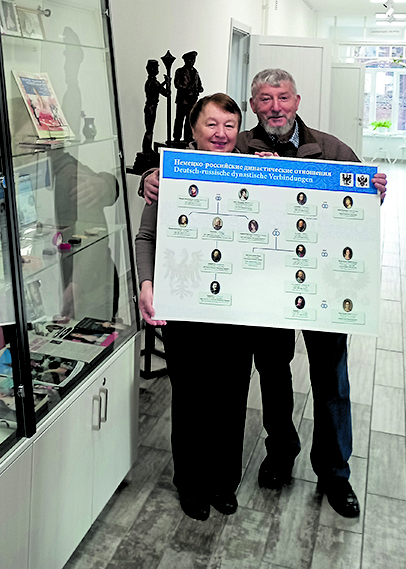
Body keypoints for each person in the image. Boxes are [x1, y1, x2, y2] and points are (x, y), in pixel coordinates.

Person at [141, 67, 387, 519]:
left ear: (297, 100)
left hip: (322, 288)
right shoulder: (239, 148)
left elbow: (363, 206)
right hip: (262, 291)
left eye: (284, 98)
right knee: (274, 373)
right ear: (253, 105)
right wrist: (151, 181)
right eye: (265, 99)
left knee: (330, 378)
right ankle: (280, 453)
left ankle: (335, 473)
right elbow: (190, 175)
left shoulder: (333, 150)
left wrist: (376, 190)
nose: (276, 107)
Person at [136, 92, 296, 522]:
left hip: (237, 309)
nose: (220, 134)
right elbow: (147, 237)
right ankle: (190, 482)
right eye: (211, 124)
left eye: (229, 125)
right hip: (185, 305)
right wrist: (146, 283)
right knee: (190, 398)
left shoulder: (255, 165)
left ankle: (223, 483)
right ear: (193, 129)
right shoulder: (174, 172)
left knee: (231, 397)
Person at [172, 51, 203, 143]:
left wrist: (199, 88)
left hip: (192, 100)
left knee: (190, 120)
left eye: (193, 59)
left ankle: (188, 137)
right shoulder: (180, 71)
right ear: (185, 60)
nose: (192, 61)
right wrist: (187, 88)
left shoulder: (195, 72)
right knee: (179, 119)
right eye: (190, 59)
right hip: (183, 100)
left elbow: (200, 85)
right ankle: (176, 137)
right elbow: (177, 84)